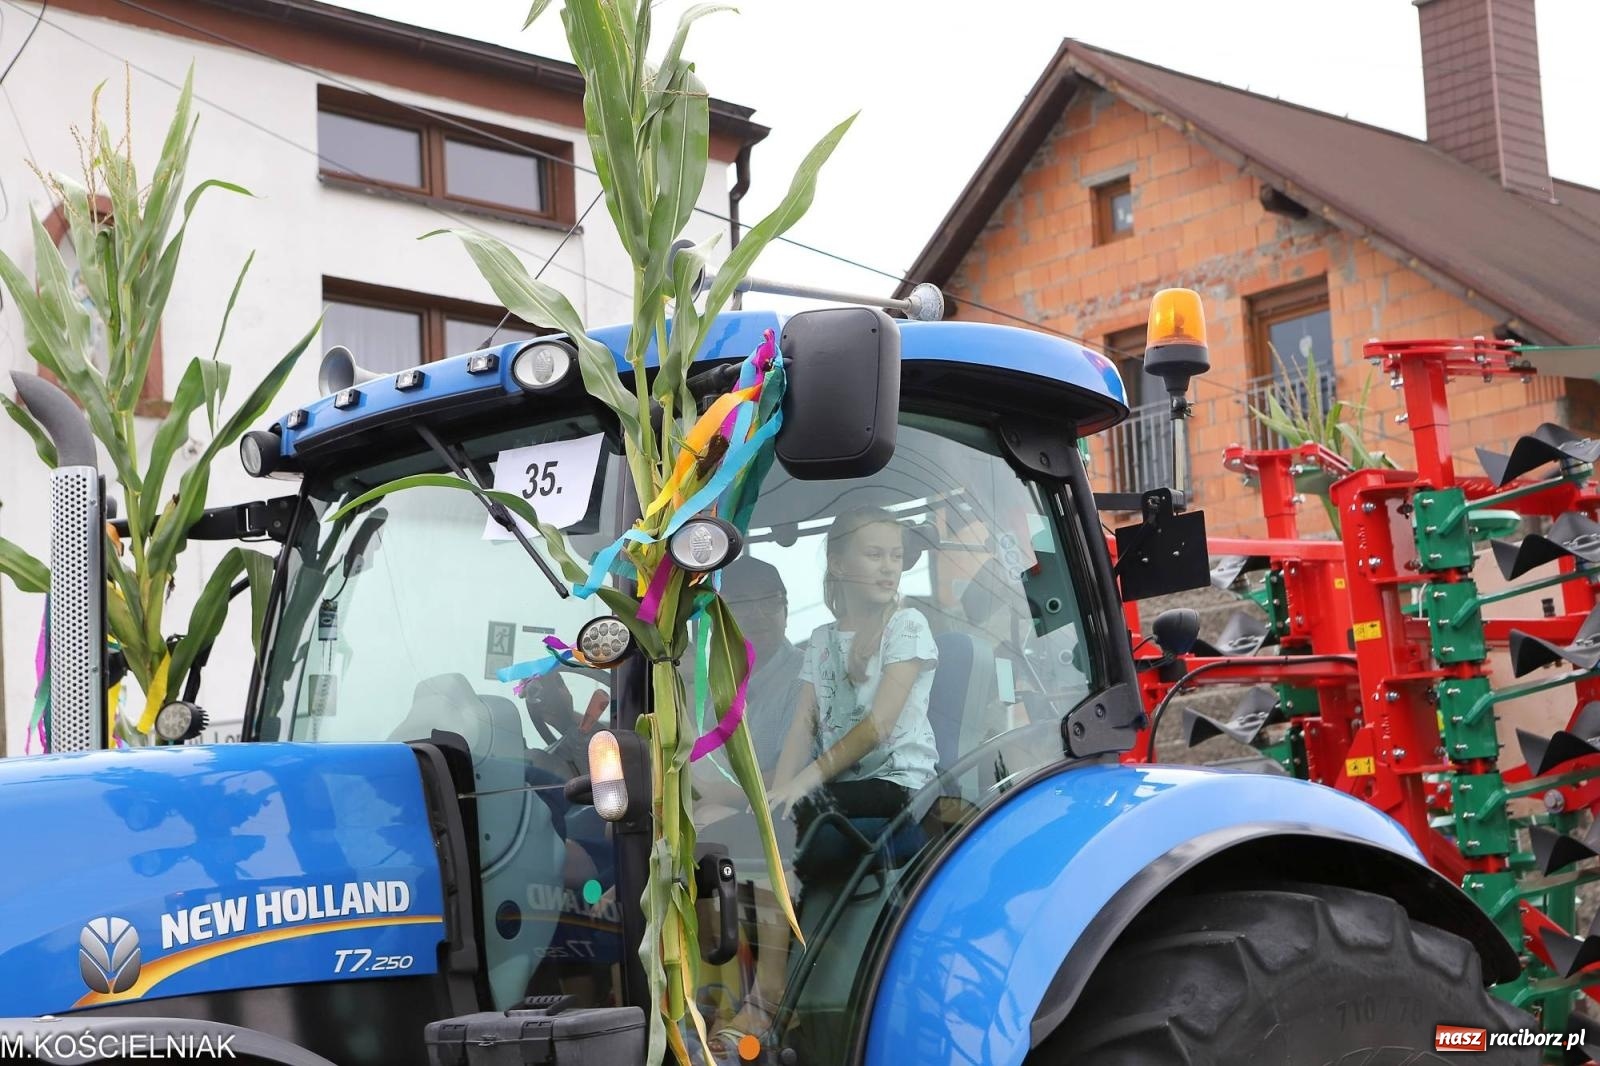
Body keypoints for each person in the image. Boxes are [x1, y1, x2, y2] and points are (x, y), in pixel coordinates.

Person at [767, 506, 940, 840]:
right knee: (773, 815)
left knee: (802, 811)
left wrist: (803, 783)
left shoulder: (907, 626)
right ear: (839, 565)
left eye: (896, 556)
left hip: (901, 785)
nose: (889, 567)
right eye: (875, 555)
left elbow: (879, 726)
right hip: (841, 785)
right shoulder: (822, 639)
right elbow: (804, 725)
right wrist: (779, 792)